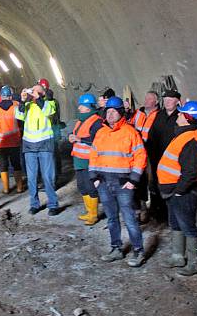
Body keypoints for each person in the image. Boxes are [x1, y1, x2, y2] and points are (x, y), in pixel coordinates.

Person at [90, 96, 148, 267]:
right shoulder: (101, 132)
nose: (110, 114)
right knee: (111, 218)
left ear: (121, 113)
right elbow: (93, 155)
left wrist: (133, 180)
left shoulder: (130, 132)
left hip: (124, 184)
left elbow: (140, 157)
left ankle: (138, 251)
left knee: (129, 219)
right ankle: (116, 248)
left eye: (114, 111)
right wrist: (94, 178)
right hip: (103, 183)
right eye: (108, 111)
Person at [157, 100, 197, 276]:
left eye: (181, 113)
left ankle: (193, 264)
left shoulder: (191, 141)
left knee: (187, 226)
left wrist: (179, 191)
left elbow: (190, 172)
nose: (177, 115)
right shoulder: (183, 135)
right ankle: (178, 256)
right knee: (176, 223)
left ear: (186, 118)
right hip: (174, 191)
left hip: (182, 192)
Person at [16, 83, 60, 215]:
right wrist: (22, 101)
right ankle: (34, 204)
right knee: (31, 177)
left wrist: (39, 99)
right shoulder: (28, 105)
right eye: (32, 90)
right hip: (29, 145)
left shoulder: (49, 103)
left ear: (43, 93)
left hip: (45, 144)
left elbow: (49, 112)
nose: (33, 93)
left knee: (48, 176)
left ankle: (53, 204)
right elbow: (19, 116)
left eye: (36, 91)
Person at [145, 88, 182, 222]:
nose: (167, 102)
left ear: (177, 101)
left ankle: (170, 215)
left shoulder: (180, 117)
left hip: (172, 161)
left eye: (170, 99)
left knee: (170, 186)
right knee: (155, 185)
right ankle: (157, 213)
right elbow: (152, 134)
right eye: (165, 99)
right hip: (157, 159)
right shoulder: (159, 115)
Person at [68, 93, 104, 225]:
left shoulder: (97, 122)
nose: (79, 108)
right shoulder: (81, 119)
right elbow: (76, 133)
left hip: (90, 161)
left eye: (81, 106)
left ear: (88, 108)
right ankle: (89, 211)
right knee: (82, 186)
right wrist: (71, 136)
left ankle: (93, 215)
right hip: (79, 160)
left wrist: (79, 139)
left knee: (90, 187)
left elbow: (98, 141)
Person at [131, 90, 160, 218]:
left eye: (149, 99)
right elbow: (131, 125)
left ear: (156, 102)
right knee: (140, 180)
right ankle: (142, 209)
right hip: (137, 151)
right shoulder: (139, 112)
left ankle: (155, 208)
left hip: (152, 152)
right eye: (146, 98)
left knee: (153, 181)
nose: (146, 100)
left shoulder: (159, 115)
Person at [0, 85, 24, 193]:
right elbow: (21, 120)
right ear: (10, 96)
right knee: (16, 164)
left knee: (3, 165)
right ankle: (19, 187)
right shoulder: (16, 105)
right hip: (14, 141)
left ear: (1, 96)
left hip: (1, 142)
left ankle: (6, 188)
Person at [39, 77, 63, 178]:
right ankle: (57, 172)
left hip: (50, 129)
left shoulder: (47, 101)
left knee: (51, 154)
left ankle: (54, 176)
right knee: (55, 152)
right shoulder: (54, 100)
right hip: (54, 128)